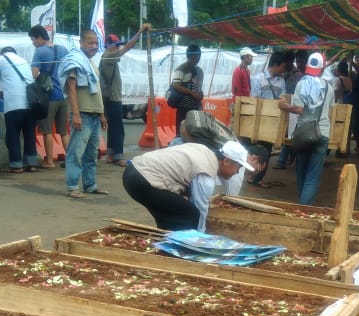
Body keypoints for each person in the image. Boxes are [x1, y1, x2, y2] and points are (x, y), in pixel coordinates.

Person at [123, 141, 256, 231]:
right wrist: (201, 238)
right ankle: (183, 251)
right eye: (238, 167)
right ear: (226, 161)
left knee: (171, 214)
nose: (237, 172)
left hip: (134, 171)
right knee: (190, 214)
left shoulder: (205, 151)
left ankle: (167, 243)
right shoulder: (206, 173)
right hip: (143, 179)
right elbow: (200, 209)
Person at [58, 31, 108, 199]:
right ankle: (72, 187)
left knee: (92, 154)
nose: (94, 46)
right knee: (76, 153)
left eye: (96, 43)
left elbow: (97, 92)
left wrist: (101, 114)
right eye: (90, 43)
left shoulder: (90, 63)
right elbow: (71, 89)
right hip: (82, 115)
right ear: (81, 43)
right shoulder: (74, 61)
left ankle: (90, 185)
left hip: (94, 115)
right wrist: (76, 114)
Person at [279, 52, 333, 205]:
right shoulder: (328, 87)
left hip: (304, 134)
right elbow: (329, 112)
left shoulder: (302, 84)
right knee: (313, 176)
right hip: (322, 134)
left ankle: (302, 207)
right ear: (322, 69)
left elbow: (298, 109)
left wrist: (285, 106)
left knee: (301, 171)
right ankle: (304, 207)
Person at [99, 25, 150, 166]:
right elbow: (127, 48)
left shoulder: (107, 58)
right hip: (113, 98)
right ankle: (118, 156)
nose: (117, 48)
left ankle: (111, 154)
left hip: (109, 98)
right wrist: (139, 31)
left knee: (113, 128)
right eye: (115, 45)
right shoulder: (108, 57)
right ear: (109, 46)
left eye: (117, 45)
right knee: (118, 129)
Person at [0, 47, 40, 174]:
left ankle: (17, 165)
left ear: (2, 53)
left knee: (13, 135)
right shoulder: (23, 60)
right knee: (29, 135)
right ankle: (31, 164)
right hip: (30, 103)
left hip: (13, 105)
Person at [28, 25, 68, 169]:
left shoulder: (40, 51)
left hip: (49, 97)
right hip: (64, 96)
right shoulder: (62, 49)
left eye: (33, 40)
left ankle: (50, 161)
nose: (33, 43)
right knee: (63, 131)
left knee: (47, 130)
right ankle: (71, 160)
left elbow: (34, 73)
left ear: (39, 37)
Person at [246, 53, 286, 187]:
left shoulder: (281, 81)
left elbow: (283, 98)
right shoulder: (258, 78)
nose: (283, 70)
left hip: (273, 121)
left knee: (267, 150)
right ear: (275, 65)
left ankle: (258, 178)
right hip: (259, 120)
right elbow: (255, 99)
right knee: (256, 150)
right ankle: (251, 175)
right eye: (282, 67)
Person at [170, 44, 204, 136]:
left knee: (194, 133)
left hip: (195, 107)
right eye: (194, 56)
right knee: (181, 133)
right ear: (188, 56)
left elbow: (199, 88)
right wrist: (192, 93)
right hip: (183, 107)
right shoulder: (181, 69)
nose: (197, 58)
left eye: (198, 56)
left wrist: (200, 94)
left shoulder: (200, 71)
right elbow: (176, 85)